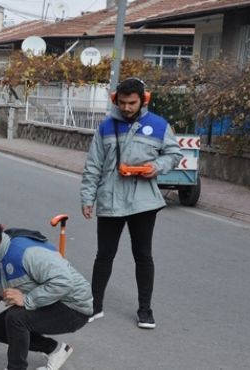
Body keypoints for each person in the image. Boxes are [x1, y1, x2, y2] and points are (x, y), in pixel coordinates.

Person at [80, 78, 182, 329]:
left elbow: (174, 154)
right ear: (116, 100)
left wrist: (155, 168)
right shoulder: (105, 127)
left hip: (143, 202)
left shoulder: (158, 125)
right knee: (104, 255)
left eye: (132, 103)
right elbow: (93, 165)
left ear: (143, 100)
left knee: (143, 256)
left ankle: (145, 310)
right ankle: (95, 305)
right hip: (110, 200)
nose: (126, 108)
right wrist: (87, 197)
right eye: (122, 103)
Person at [0, 211, 93, 370]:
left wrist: (27, 300)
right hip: (50, 301)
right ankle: (56, 350)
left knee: (16, 318)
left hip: (74, 307)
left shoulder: (26, 253)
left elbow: (64, 282)